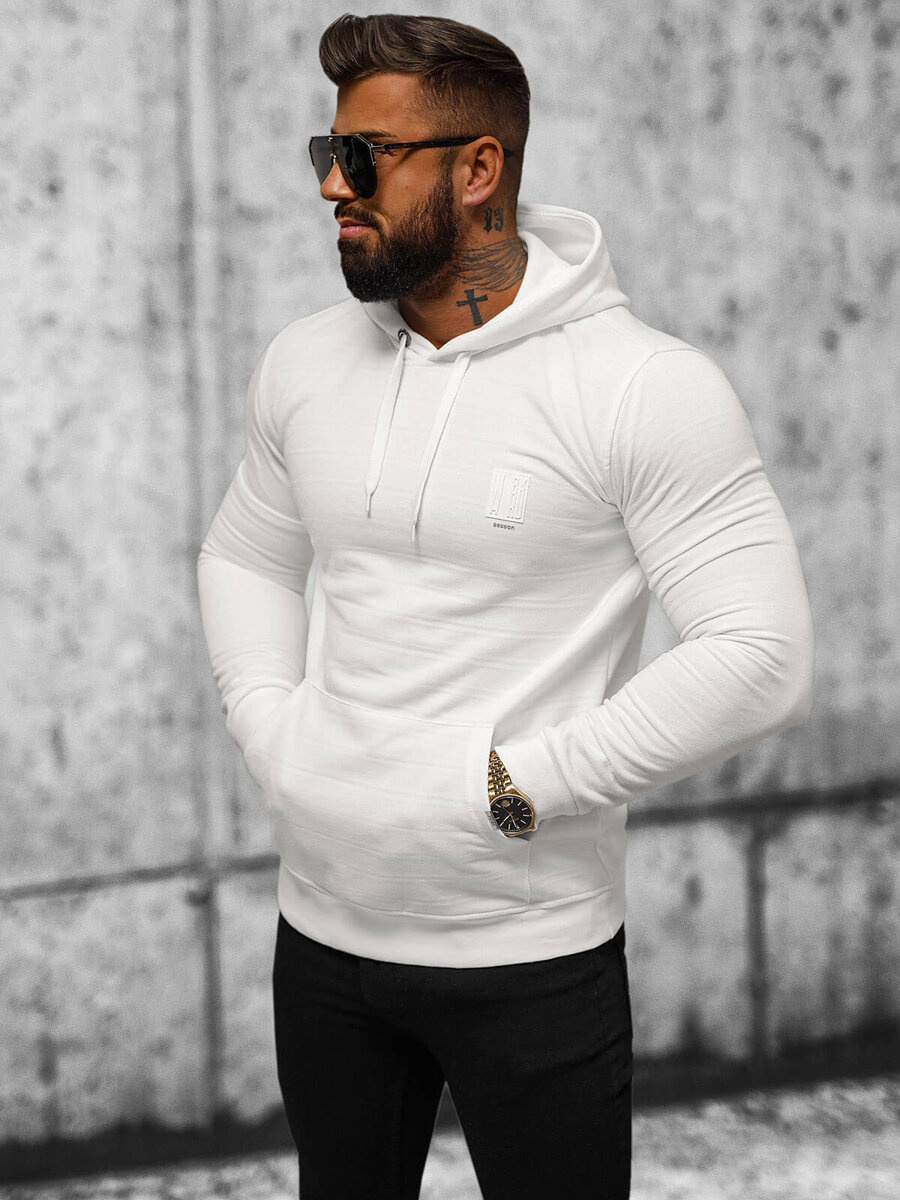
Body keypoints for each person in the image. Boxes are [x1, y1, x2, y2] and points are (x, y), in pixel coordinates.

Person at [196, 13, 815, 1199]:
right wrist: (273, 732)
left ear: (479, 169)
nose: (333, 186)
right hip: (322, 937)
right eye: (327, 151)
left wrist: (521, 785)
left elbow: (760, 653)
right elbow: (245, 555)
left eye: (367, 156)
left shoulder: (641, 387)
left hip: (529, 955)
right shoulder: (307, 363)